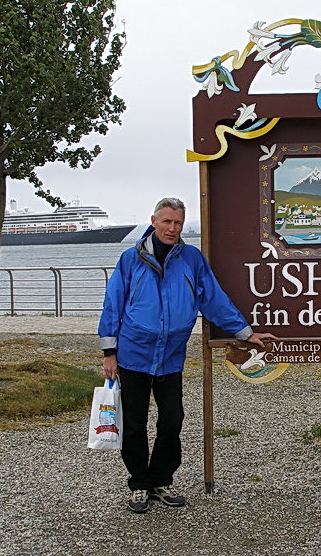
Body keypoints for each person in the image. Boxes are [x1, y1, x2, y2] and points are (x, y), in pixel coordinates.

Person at [98, 197, 275, 513]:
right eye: (167, 221)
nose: (172, 228)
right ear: (153, 221)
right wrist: (109, 352)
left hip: (170, 357)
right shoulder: (130, 259)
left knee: (172, 421)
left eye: (178, 223)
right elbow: (113, 304)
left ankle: (161, 481)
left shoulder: (191, 259)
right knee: (135, 425)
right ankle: (139, 484)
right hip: (133, 355)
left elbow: (213, 299)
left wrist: (245, 333)